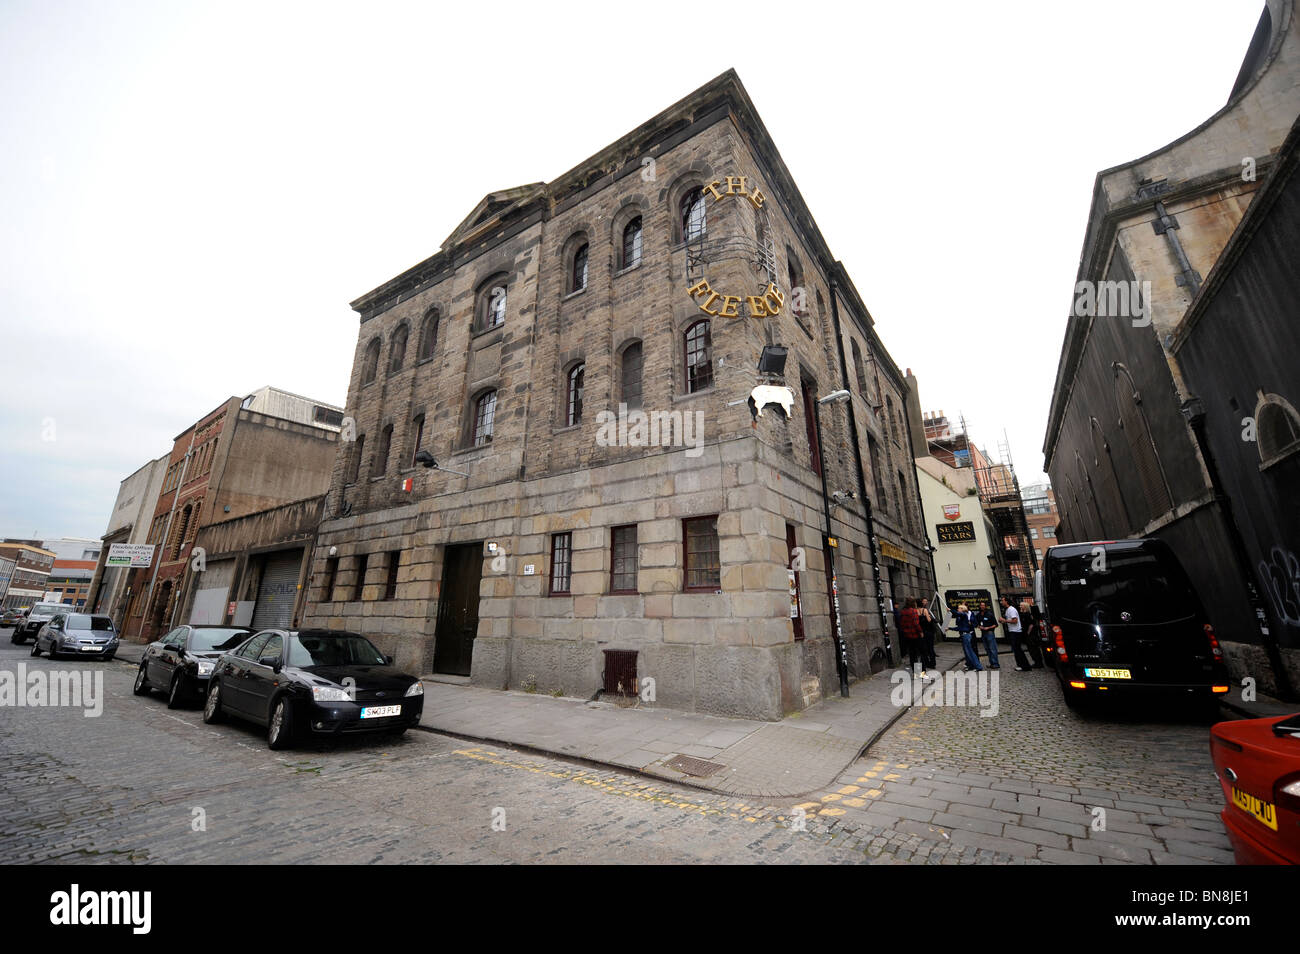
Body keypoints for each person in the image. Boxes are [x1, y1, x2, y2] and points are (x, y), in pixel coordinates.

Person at [999, 596, 1035, 671]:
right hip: (1013, 631)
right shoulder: (1008, 610)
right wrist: (1003, 621)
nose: (1001, 602)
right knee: (1016, 650)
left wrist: (1005, 620)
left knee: (1018, 650)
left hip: (1016, 632)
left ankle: (1025, 666)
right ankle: (1021, 665)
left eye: (1002, 600)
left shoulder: (1011, 609)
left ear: (1006, 601)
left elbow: (1015, 621)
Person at [899, 597, 929, 678]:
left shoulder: (903, 611)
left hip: (907, 636)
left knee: (913, 655)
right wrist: (921, 632)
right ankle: (922, 674)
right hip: (916, 635)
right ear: (913, 603)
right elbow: (916, 624)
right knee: (922, 654)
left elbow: (901, 624)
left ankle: (916, 674)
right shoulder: (913, 611)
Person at [948, 602, 982, 671]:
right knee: (967, 652)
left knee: (970, 652)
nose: (957, 609)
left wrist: (950, 610)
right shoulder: (961, 617)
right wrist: (949, 628)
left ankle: (978, 667)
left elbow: (957, 614)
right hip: (964, 635)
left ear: (962, 609)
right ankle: (971, 666)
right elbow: (960, 628)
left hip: (967, 635)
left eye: (959, 608)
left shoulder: (964, 615)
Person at [973, 600, 1000, 669]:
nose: (982, 606)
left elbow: (996, 624)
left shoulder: (989, 614)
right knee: (987, 649)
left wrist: (988, 627)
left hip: (990, 633)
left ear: (985, 606)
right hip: (983, 634)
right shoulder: (978, 615)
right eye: (981, 605)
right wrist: (979, 627)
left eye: (983, 605)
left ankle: (996, 664)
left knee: (992, 649)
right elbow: (976, 624)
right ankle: (992, 663)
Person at [918, 598, 939, 671]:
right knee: (930, 648)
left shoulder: (915, 611)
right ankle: (932, 663)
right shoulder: (925, 610)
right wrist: (929, 617)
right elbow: (929, 620)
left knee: (924, 649)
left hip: (921, 632)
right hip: (928, 631)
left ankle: (926, 663)